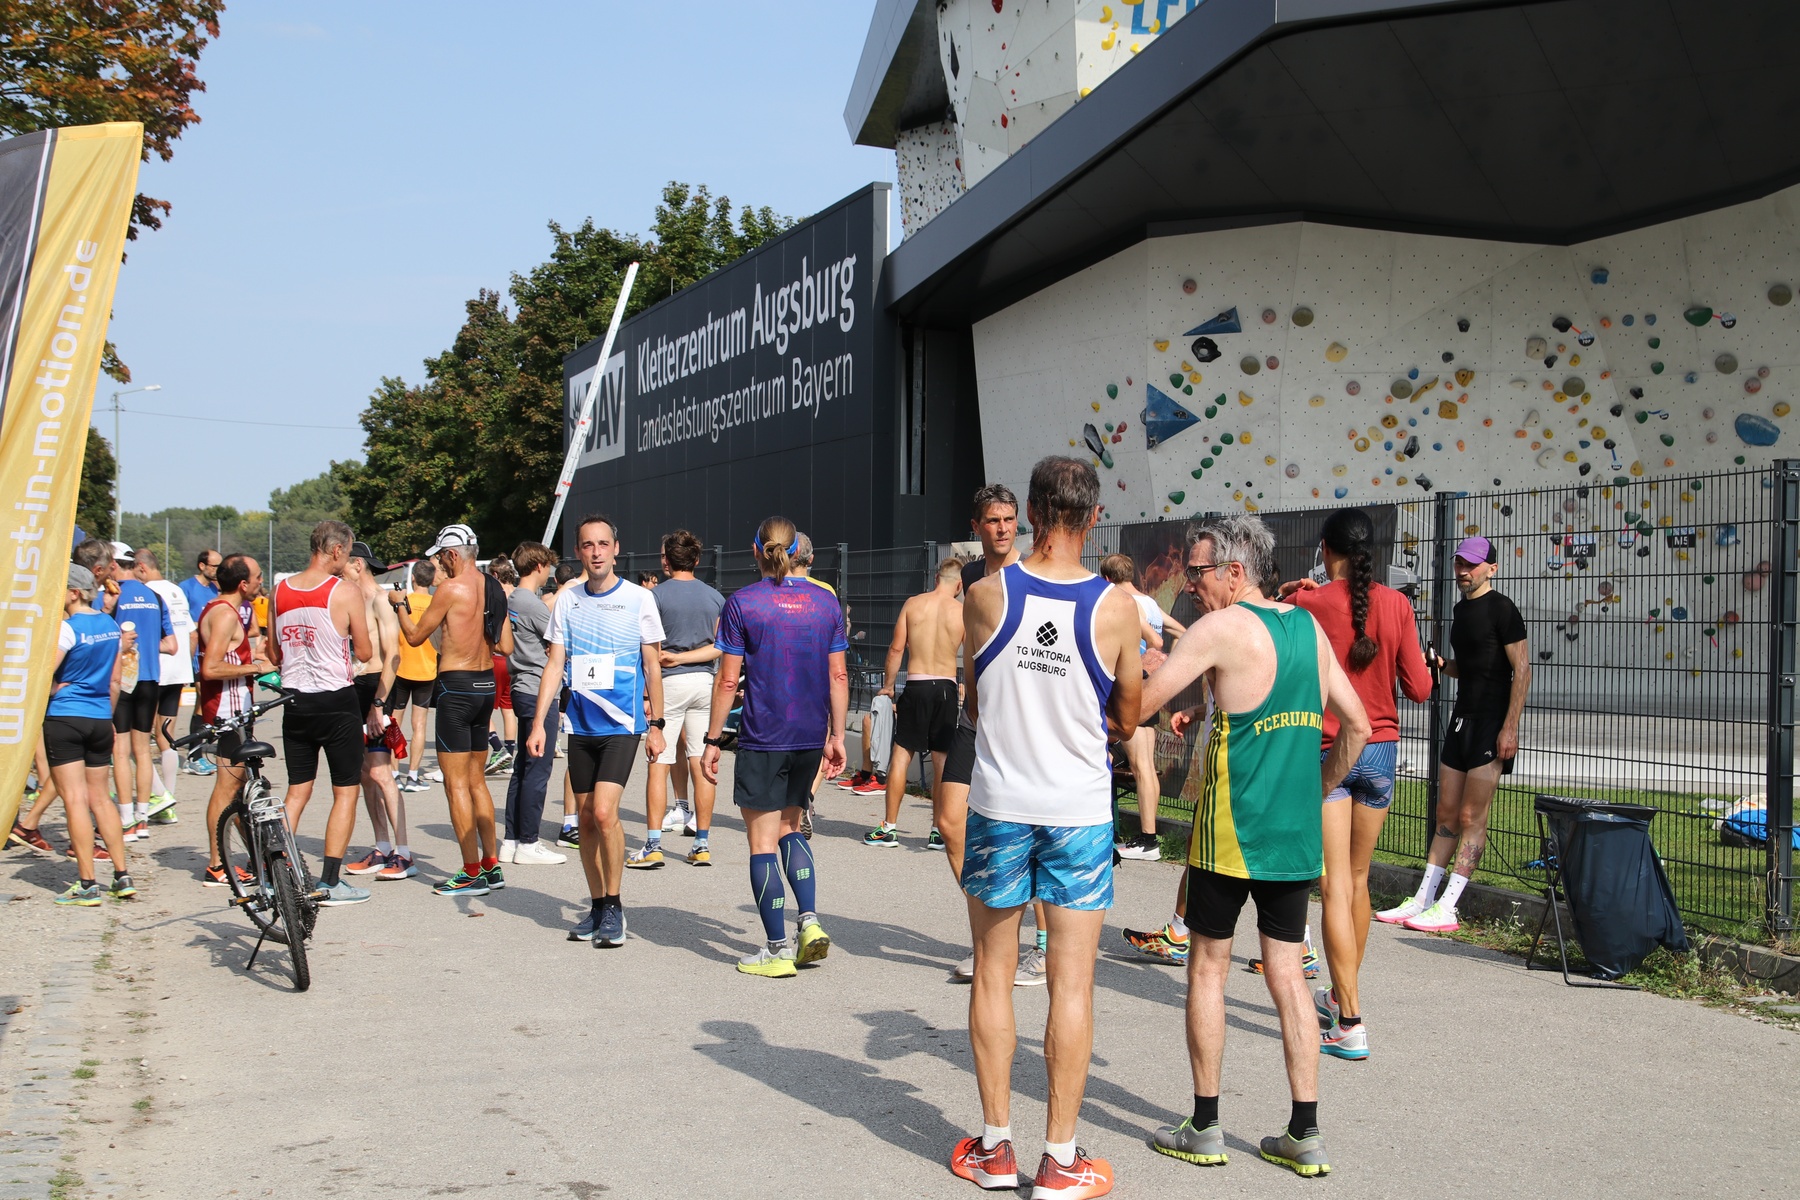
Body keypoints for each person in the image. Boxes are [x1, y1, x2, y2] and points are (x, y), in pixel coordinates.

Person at [1136, 515, 1370, 1178]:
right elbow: (1357, 726)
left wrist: (1139, 671)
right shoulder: (1308, 629)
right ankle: (1305, 1133)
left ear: (1235, 572)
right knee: (1289, 974)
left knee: (1208, 969)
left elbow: (1141, 705)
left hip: (1229, 831)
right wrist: (1318, 789)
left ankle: (1205, 1125)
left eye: (1198, 573)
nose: (1191, 586)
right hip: (1292, 835)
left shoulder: (1220, 628)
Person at [948, 457, 1139, 1198]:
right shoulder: (1117, 606)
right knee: (1072, 984)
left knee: (993, 971)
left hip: (1000, 803)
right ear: (1094, 517)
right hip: (1079, 812)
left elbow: (975, 699)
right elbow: (1128, 716)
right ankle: (1060, 1160)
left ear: (1029, 512)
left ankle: (995, 1148)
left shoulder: (985, 595)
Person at [1272, 509, 1433, 1059]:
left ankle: (1351, 1020)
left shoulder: (1308, 604)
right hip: (1382, 752)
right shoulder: (1399, 605)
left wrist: (1289, 593)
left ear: (1325, 548)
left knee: (1334, 886)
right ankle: (1343, 996)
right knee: (1359, 881)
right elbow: (1420, 688)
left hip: (1330, 750)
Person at [700, 515, 846, 978]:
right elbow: (838, 675)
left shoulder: (743, 602)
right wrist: (837, 736)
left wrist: (712, 740)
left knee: (762, 842)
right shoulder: (826, 602)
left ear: (755, 550)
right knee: (791, 828)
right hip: (809, 734)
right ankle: (809, 921)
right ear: (798, 549)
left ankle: (778, 950)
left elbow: (728, 681)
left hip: (764, 736)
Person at [1378, 535, 1531, 934]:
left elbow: (1522, 669)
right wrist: (1443, 665)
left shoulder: (1503, 608)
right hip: (1462, 719)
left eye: (1472, 565)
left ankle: (1448, 907)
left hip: (1492, 724)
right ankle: (1424, 899)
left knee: (1470, 816)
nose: (1463, 571)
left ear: (1491, 569)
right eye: (1460, 563)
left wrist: (1509, 728)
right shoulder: (1462, 610)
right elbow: (1472, 666)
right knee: (1446, 814)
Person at [524, 516, 664, 945]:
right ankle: (598, 904)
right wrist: (539, 723)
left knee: (604, 813)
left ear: (616, 549)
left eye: (604, 544)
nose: (597, 552)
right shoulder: (567, 601)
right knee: (585, 819)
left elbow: (653, 665)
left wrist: (657, 724)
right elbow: (554, 663)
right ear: (579, 552)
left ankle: (616, 907)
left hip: (622, 723)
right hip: (580, 723)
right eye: (588, 545)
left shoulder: (639, 598)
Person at [941, 484, 1051, 987]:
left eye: (1009, 520)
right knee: (950, 822)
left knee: (1031, 837)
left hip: (1021, 721)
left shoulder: (1032, 575)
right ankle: (991, 940)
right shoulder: (969, 577)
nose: (1003, 528)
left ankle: (1041, 948)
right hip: (976, 714)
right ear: (976, 526)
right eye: (993, 520)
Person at [392, 522, 514, 896]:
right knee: (476, 780)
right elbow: (506, 646)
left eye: (441, 559)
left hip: (456, 688)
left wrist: (400, 606)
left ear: (452, 554)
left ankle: (471, 872)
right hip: (485, 686)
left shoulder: (450, 589)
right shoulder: (493, 587)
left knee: (456, 783)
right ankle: (491, 866)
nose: (440, 566)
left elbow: (415, 636)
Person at [268, 520, 375, 906]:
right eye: (347, 552)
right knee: (345, 792)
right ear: (336, 550)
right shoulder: (344, 591)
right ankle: (329, 881)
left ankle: (274, 877)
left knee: (297, 790)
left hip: (295, 701)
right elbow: (365, 651)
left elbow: (274, 653)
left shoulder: (279, 590)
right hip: (336, 702)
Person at [628, 529, 723, 869]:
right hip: (705, 683)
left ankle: (653, 844)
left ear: (666, 560)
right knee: (702, 761)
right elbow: (721, 646)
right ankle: (701, 843)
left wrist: (647, 692)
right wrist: (688, 658)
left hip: (667, 684)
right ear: (696, 560)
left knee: (659, 761)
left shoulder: (653, 597)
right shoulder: (715, 597)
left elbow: (650, 654)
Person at [44, 564, 135, 905]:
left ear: (74, 593)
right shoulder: (110, 626)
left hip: (66, 717)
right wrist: (107, 718)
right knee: (101, 797)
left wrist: (54, 688)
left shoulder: (67, 629)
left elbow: (43, 676)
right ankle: (122, 875)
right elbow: (115, 681)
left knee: (74, 799)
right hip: (100, 718)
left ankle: (87, 884)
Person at [864, 556, 963, 848]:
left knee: (901, 755)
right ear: (959, 585)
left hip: (917, 685)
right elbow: (972, 656)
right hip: (945, 687)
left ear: (936, 578)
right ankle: (938, 830)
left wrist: (888, 686)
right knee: (941, 759)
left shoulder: (913, 604)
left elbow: (896, 649)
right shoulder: (961, 612)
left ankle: (889, 827)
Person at [1098, 553, 1187, 861]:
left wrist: (1145, 670)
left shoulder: (1123, 603)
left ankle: (1145, 840)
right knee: (1144, 766)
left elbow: (1154, 644)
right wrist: (1165, 671)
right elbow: (1180, 633)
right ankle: (1147, 837)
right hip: (1146, 690)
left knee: (1133, 764)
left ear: (1107, 579)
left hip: (1129, 690)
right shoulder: (1149, 603)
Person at [341, 543, 416, 882]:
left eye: (343, 566)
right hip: (354, 689)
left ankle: (404, 852)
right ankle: (382, 845)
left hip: (377, 689)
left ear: (358, 564)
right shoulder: (350, 601)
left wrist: (378, 704)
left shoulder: (381, 600)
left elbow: (393, 656)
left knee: (381, 772)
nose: (338, 572)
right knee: (363, 772)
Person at [197, 555, 274, 885]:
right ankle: (217, 864)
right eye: (258, 577)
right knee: (227, 787)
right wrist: (256, 668)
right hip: (227, 711)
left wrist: (255, 661)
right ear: (243, 584)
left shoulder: (226, 610)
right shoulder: (225, 614)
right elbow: (211, 668)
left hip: (235, 708)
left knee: (239, 787)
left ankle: (254, 858)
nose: (261, 582)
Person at [500, 542, 567, 866]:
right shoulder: (533, 605)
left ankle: (512, 839)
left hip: (521, 686)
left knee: (523, 768)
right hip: (539, 689)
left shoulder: (513, 599)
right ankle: (528, 841)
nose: (549, 573)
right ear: (539, 566)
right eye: (548, 567)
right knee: (538, 769)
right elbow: (560, 642)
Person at [109, 544, 176, 843]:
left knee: (120, 751)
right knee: (143, 750)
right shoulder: (155, 596)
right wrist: (147, 645)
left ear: (113, 565)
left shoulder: (110, 595)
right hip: (150, 679)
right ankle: (143, 818)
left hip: (122, 680)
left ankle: (126, 820)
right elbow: (171, 644)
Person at [136, 549, 194, 826]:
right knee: (166, 736)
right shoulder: (176, 590)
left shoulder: (146, 593)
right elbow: (191, 633)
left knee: (138, 738)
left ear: (142, 568)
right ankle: (168, 798)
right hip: (179, 669)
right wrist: (187, 666)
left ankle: (160, 796)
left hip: (156, 670)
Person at [391, 558, 439, 793]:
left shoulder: (402, 601)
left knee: (395, 722)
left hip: (401, 668)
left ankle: (393, 774)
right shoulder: (436, 604)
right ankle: (412, 775)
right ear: (432, 580)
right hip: (426, 669)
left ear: (412, 578)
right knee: (419, 725)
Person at [178, 549, 222, 775]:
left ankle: (199, 750)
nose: (217, 570)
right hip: (195, 655)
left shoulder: (215, 589)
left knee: (208, 702)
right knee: (202, 700)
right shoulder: (185, 588)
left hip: (212, 654)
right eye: (214, 566)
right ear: (202, 566)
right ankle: (193, 757)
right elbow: (182, 623)